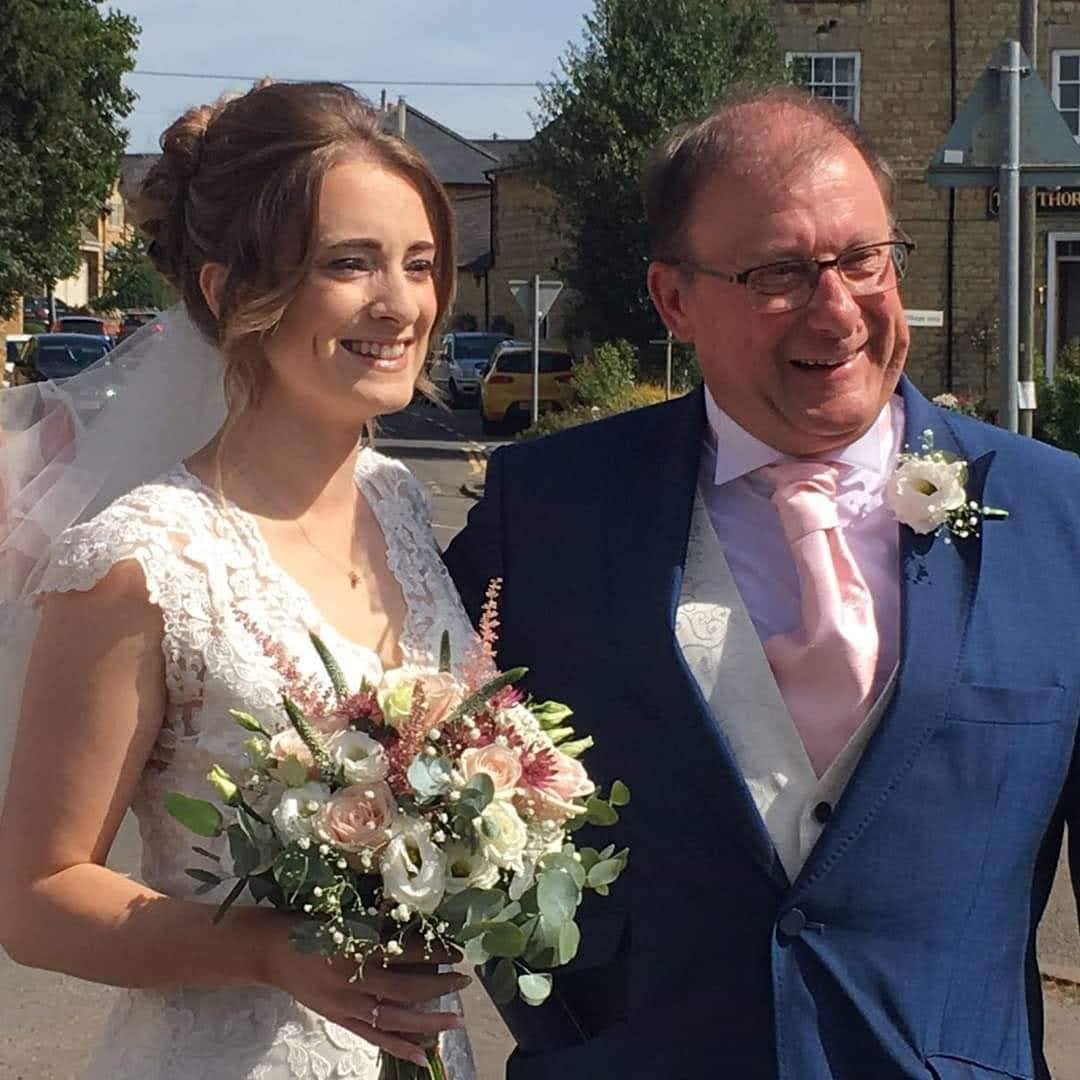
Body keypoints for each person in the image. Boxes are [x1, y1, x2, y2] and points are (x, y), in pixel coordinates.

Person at [445, 86, 1080, 1079]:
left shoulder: (1058, 516)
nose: (839, 310)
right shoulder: (548, 510)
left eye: (864, 259)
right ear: (674, 300)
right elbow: (418, 766)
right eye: (780, 273)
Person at [0, 81, 481, 1079]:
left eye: (419, 263)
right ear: (227, 292)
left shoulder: (398, 502)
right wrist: (267, 950)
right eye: (348, 263)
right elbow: (36, 899)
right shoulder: (142, 560)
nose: (402, 305)